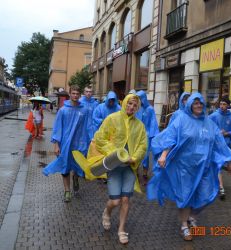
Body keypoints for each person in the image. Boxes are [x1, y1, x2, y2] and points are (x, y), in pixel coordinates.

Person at [147, 92, 231, 241]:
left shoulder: (209, 123)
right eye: (195, 103)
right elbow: (170, 137)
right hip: (184, 168)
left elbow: (219, 143)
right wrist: (163, 155)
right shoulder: (181, 119)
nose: (199, 105)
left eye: (201, 103)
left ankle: (192, 217)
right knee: (185, 196)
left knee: (207, 194)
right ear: (190, 105)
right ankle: (184, 226)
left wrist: (229, 161)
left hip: (204, 168)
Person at [84, 94, 147, 244]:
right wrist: (115, 153)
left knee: (125, 199)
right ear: (124, 103)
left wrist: (135, 157)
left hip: (129, 168)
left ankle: (121, 229)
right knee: (115, 201)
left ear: (137, 108)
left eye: (134, 105)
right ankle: (107, 211)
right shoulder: (112, 118)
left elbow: (143, 145)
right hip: (114, 166)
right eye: (129, 103)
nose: (131, 107)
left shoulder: (139, 125)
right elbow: (100, 138)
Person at [43, 85, 89, 202]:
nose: (75, 96)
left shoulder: (84, 110)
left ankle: (76, 178)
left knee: (78, 166)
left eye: (77, 94)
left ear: (80, 95)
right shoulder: (63, 110)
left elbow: (88, 127)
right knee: (65, 167)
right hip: (65, 144)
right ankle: (67, 191)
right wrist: (56, 145)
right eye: (73, 93)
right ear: (70, 94)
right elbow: (57, 128)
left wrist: (89, 142)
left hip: (79, 144)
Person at [209, 96, 231, 200]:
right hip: (216, 146)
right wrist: (216, 133)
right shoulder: (214, 115)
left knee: (230, 166)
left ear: (228, 106)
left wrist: (227, 133)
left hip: (226, 146)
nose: (222, 106)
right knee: (217, 165)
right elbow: (207, 126)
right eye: (221, 104)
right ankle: (221, 187)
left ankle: (229, 168)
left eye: (224, 104)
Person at [136, 90, 159, 184]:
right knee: (136, 153)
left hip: (146, 135)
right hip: (137, 135)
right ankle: (136, 171)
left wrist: (153, 135)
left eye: (139, 99)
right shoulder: (138, 108)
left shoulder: (150, 109)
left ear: (143, 99)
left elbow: (153, 123)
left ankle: (145, 173)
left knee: (145, 156)